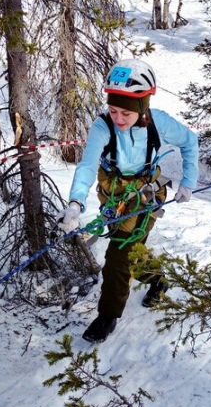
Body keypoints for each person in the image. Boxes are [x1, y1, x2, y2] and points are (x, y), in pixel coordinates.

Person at [57, 59, 199, 343]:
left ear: (142, 108)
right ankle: (157, 278)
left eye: (126, 113)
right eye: (113, 110)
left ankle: (107, 316)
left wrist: (188, 182)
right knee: (131, 250)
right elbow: (86, 166)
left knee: (118, 256)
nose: (118, 119)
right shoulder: (103, 127)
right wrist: (75, 203)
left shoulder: (159, 123)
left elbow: (190, 141)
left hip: (147, 195)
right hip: (115, 197)